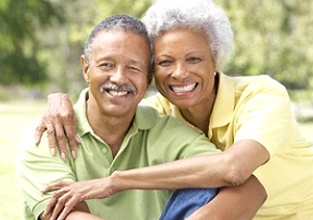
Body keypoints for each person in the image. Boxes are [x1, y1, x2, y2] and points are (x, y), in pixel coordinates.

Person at [36, 0, 313, 219]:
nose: (179, 73)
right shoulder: (159, 111)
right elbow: (111, 95)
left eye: (194, 59)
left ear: (216, 59)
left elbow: (233, 169)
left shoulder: (261, 94)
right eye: (165, 62)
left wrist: (116, 181)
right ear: (150, 70)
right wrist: (59, 99)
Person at [17, 14, 266, 220]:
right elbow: (69, 216)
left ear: (148, 79)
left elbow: (250, 188)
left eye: (133, 68)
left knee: (206, 190)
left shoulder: (166, 131)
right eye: (106, 65)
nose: (119, 78)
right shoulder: (48, 136)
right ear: (86, 69)